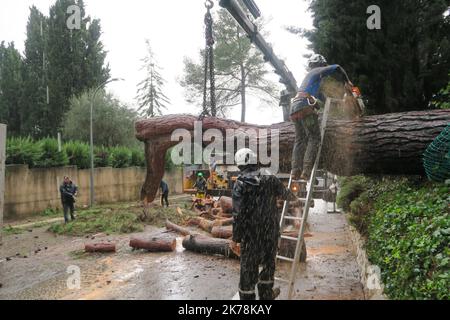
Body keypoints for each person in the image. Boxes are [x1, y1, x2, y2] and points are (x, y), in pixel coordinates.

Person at [231, 148, 296, 300]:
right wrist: (296, 198)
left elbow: (238, 215)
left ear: (240, 165)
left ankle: (247, 300)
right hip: (270, 233)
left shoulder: (240, 183)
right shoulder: (270, 178)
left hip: (251, 236)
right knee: (268, 265)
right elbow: (286, 194)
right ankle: (266, 296)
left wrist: (236, 238)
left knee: (248, 270)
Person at [290, 54, 354, 180]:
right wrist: (347, 81)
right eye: (324, 66)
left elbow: (324, 100)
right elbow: (337, 67)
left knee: (300, 140)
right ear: (320, 64)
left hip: (294, 108)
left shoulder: (311, 82)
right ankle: (306, 171)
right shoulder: (316, 71)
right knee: (314, 138)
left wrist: (341, 104)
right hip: (304, 107)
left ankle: (295, 170)